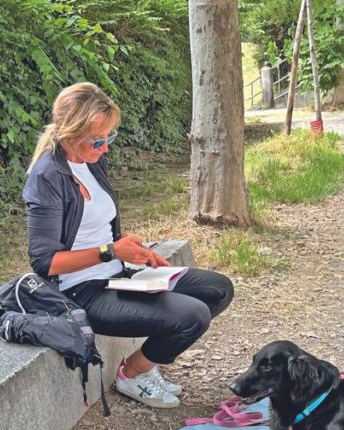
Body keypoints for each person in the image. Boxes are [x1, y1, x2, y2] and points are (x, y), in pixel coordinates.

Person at [23, 82, 234, 409]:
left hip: (118, 273)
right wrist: (110, 251)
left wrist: (129, 250)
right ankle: (133, 374)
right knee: (193, 316)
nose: (105, 148)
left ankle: (143, 368)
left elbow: (98, 226)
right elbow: (45, 263)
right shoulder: (47, 178)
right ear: (71, 134)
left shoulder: (90, 160)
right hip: (81, 291)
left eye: (110, 137)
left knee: (217, 289)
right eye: (98, 140)